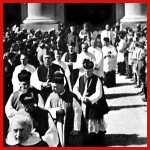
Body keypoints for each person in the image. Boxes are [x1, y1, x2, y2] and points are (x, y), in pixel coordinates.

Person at [73, 58, 109, 146]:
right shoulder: (80, 78)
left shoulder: (97, 79)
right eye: (85, 70)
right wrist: (80, 97)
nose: (87, 73)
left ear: (92, 70)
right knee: (84, 121)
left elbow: (99, 93)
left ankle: (95, 139)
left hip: (93, 105)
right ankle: (86, 139)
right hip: (83, 102)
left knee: (93, 122)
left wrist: (90, 99)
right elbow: (75, 89)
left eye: (89, 71)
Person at [45, 71, 83, 146]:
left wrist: (76, 128)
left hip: (69, 126)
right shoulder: (51, 96)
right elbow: (46, 110)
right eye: (52, 87)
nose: (53, 89)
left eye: (55, 87)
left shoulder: (72, 96)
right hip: (56, 126)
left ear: (62, 85)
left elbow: (78, 111)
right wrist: (55, 111)